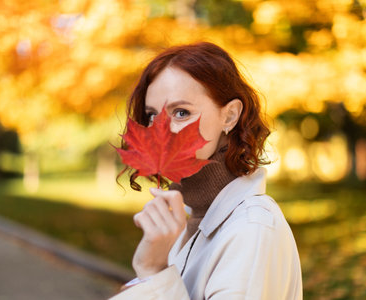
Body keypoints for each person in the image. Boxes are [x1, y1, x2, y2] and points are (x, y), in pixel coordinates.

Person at [110, 42, 302, 299]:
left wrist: (154, 271)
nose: (162, 132)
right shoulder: (190, 221)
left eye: (181, 112)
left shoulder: (252, 227)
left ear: (230, 116)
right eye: (153, 116)